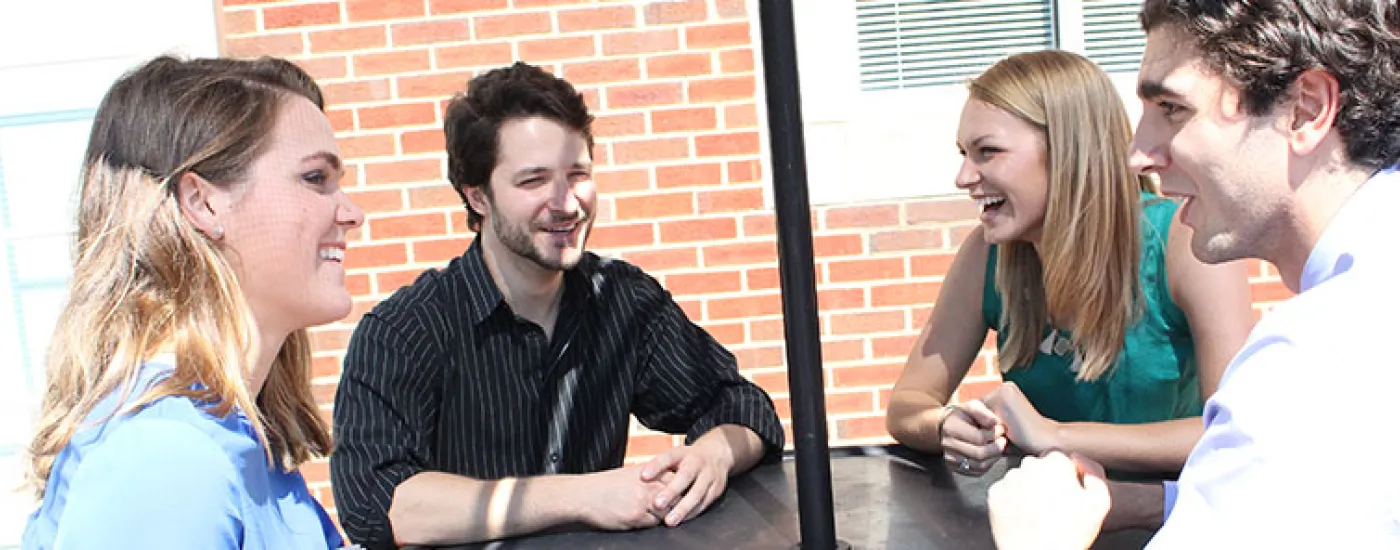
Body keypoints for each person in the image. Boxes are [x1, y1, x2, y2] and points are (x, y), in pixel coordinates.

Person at [987, 0, 1400, 548]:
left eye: (1172, 108)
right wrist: (1135, 503)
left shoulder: (1313, 362)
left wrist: (1039, 540)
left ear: (1305, 109)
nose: (1138, 153)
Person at [330, 61, 784, 549]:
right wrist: (581, 496)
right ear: (478, 196)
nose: (565, 202)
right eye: (534, 181)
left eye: (577, 174)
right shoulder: (405, 330)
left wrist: (714, 453)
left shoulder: (623, 301)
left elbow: (744, 407)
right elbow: (377, 505)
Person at [21, 55, 363, 549]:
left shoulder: (231, 436)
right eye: (315, 178)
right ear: (202, 203)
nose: (352, 213)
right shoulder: (166, 455)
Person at [885, 50, 1255, 481]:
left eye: (988, 152)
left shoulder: (1183, 241)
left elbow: (1235, 427)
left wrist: (1054, 436)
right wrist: (947, 426)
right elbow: (908, 402)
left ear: (1068, 153)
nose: (964, 177)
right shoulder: (988, 255)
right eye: (965, 153)